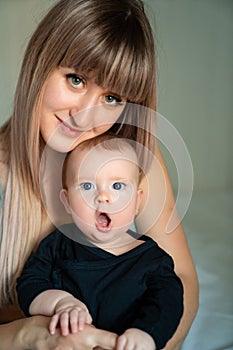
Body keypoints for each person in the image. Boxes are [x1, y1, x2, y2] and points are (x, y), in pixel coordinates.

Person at [0, 0, 198, 349]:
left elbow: (180, 279)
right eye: (75, 80)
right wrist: (27, 336)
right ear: (39, 62)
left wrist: (147, 341)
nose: (85, 116)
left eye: (111, 97)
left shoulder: (133, 164)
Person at [17, 134, 184, 350]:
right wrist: (61, 303)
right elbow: (29, 284)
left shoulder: (153, 260)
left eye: (117, 186)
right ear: (67, 202)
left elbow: (168, 304)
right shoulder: (58, 245)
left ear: (137, 201)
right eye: (87, 186)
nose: (103, 197)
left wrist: (145, 335)